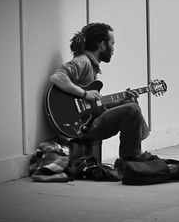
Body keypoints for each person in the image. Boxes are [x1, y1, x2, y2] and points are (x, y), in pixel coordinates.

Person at [49, 22, 150, 162]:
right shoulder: (82, 61)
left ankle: (134, 155)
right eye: (112, 43)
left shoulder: (91, 66)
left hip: (88, 120)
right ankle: (131, 160)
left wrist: (121, 101)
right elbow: (57, 77)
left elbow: (93, 106)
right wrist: (85, 94)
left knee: (129, 103)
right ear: (102, 45)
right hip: (80, 127)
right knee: (132, 109)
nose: (113, 48)